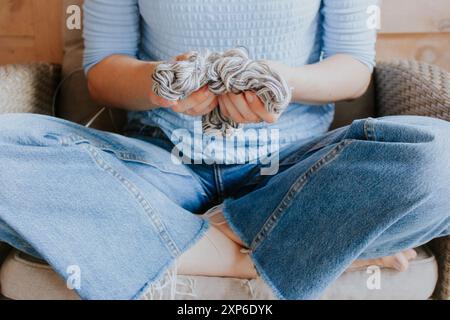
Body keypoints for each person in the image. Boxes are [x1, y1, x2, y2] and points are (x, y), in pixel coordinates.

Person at [0, 0, 448, 300]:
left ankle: (162, 238)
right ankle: (298, 248)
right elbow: (102, 72)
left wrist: (281, 80)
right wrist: (161, 86)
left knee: (441, 158)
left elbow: (353, 67)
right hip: (162, 165)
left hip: (297, 167)